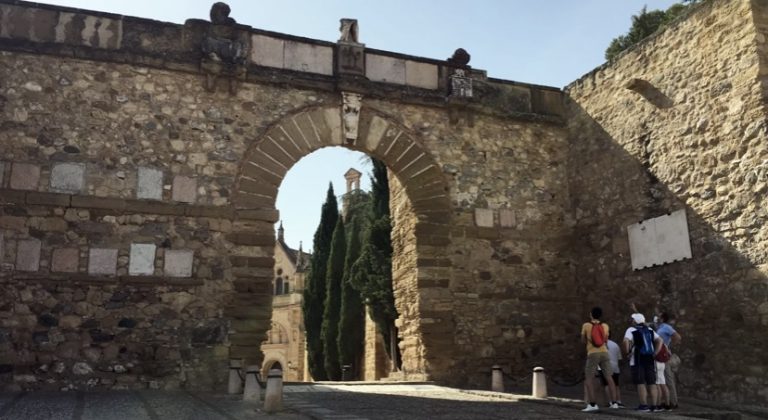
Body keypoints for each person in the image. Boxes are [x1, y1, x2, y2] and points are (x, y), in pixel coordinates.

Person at [581, 307, 620, 412]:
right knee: (609, 377)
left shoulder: (586, 325)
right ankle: (615, 403)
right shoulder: (605, 326)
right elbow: (605, 339)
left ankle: (593, 404)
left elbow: (583, 340)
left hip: (593, 353)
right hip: (604, 353)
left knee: (589, 378)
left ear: (591, 314)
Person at [623, 313, 663, 412]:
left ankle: (644, 406)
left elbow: (625, 341)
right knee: (651, 382)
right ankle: (654, 406)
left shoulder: (631, 330)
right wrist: (655, 352)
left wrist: (627, 352)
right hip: (650, 358)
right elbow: (660, 340)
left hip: (638, 359)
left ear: (635, 321)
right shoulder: (650, 330)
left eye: (632, 319)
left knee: (640, 382)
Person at [655, 311, 682, 409]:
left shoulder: (666, 327)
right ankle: (665, 401)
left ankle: (673, 402)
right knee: (663, 380)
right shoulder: (659, 327)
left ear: (662, 318)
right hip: (661, 356)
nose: (657, 317)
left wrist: (668, 346)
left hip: (665, 356)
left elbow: (678, 337)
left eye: (659, 316)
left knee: (668, 379)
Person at [597, 336, 624, 408]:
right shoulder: (615, 344)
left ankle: (611, 402)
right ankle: (618, 401)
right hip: (615, 367)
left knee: (606, 385)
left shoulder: (599, 344)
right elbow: (619, 358)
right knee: (616, 385)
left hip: (604, 367)